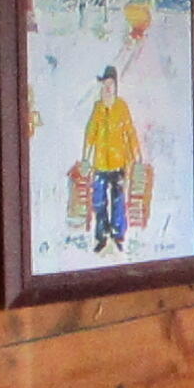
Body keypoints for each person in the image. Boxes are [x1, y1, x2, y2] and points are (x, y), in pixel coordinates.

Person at [80, 66, 141, 252]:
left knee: (117, 200)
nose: (108, 87)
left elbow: (130, 131)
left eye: (111, 84)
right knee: (99, 201)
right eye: (105, 84)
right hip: (100, 163)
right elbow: (90, 134)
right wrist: (85, 158)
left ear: (115, 86)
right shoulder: (98, 108)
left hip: (118, 162)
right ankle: (101, 235)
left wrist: (136, 154)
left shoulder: (121, 107)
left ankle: (118, 234)